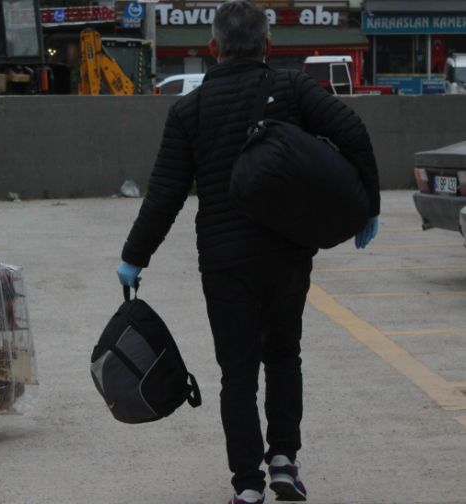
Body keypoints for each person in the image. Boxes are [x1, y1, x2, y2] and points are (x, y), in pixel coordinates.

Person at [117, 2, 379, 503]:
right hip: (287, 253)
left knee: (237, 373)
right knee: (284, 355)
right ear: (268, 46)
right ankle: (284, 462)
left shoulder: (188, 110)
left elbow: (165, 195)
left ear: (212, 48)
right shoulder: (293, 90)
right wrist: (367, 204)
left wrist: (135, 258)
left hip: (224, 262)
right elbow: (353, 131)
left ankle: (248, 487)